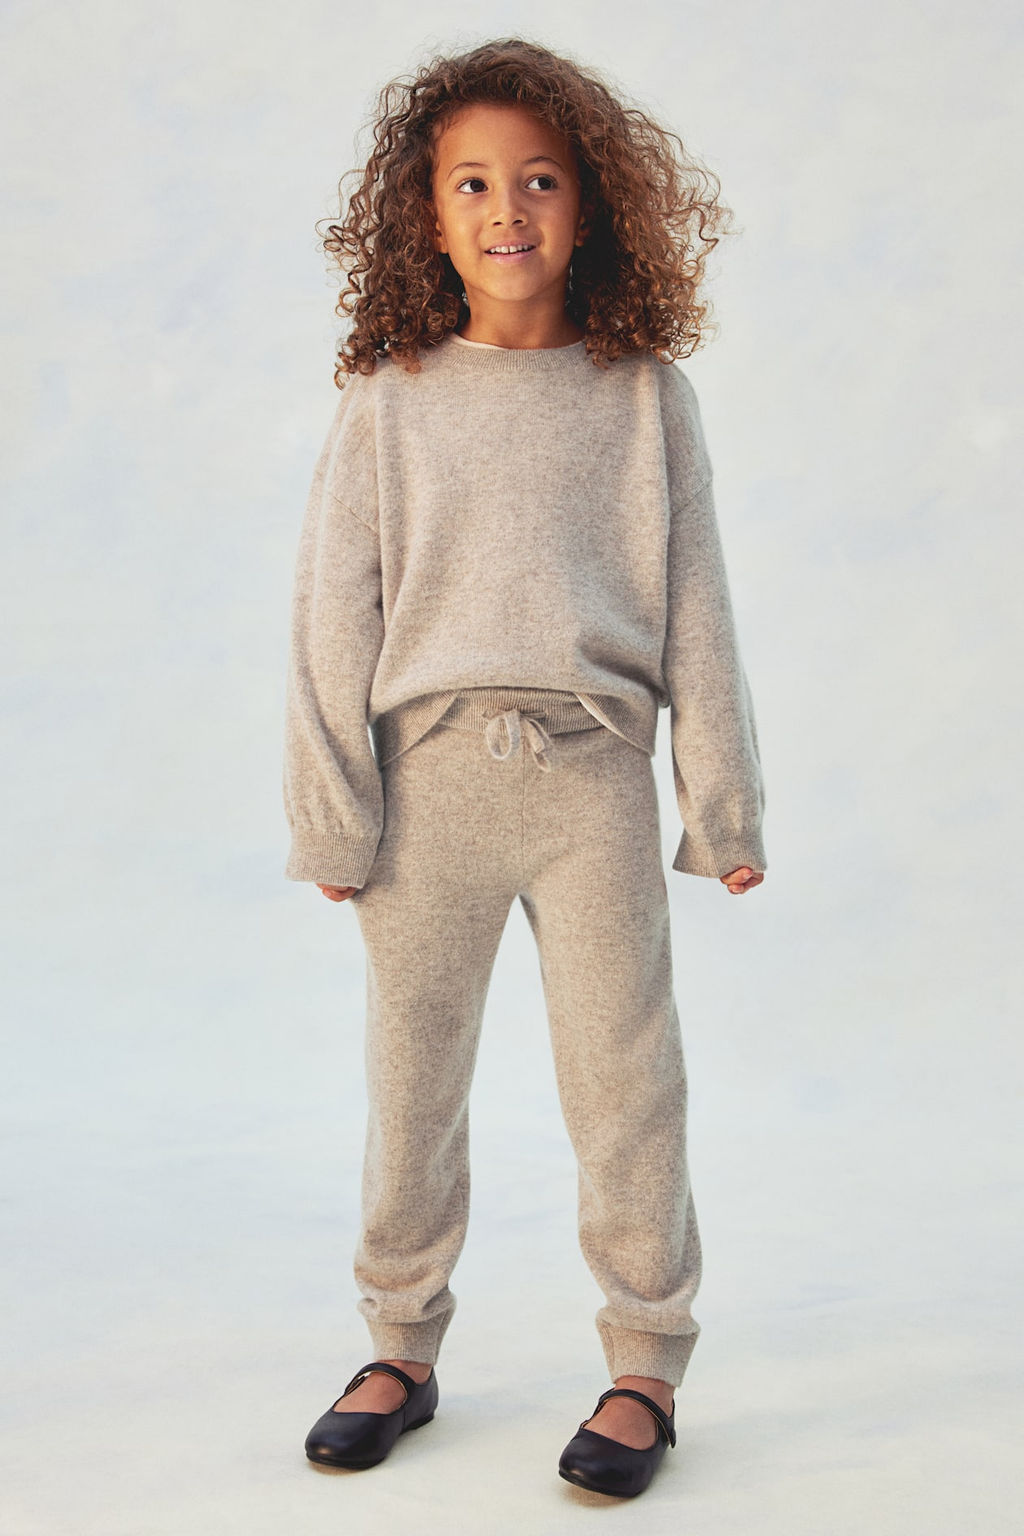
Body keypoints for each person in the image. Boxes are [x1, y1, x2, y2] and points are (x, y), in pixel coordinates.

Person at [283, 36, 767, 1500]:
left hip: (590, 783)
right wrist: (334, 818)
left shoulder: (645, 397)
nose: (509, 210)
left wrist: (722, 804)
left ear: (593, 204)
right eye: (474, 184)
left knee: (627, 1081)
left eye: (542, 181)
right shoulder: (388, 398)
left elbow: (697, 609)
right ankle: (399, 1344)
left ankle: (645, 1363)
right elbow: (332, 616)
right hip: (427, 787)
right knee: (413, 1084)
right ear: (426, 217)